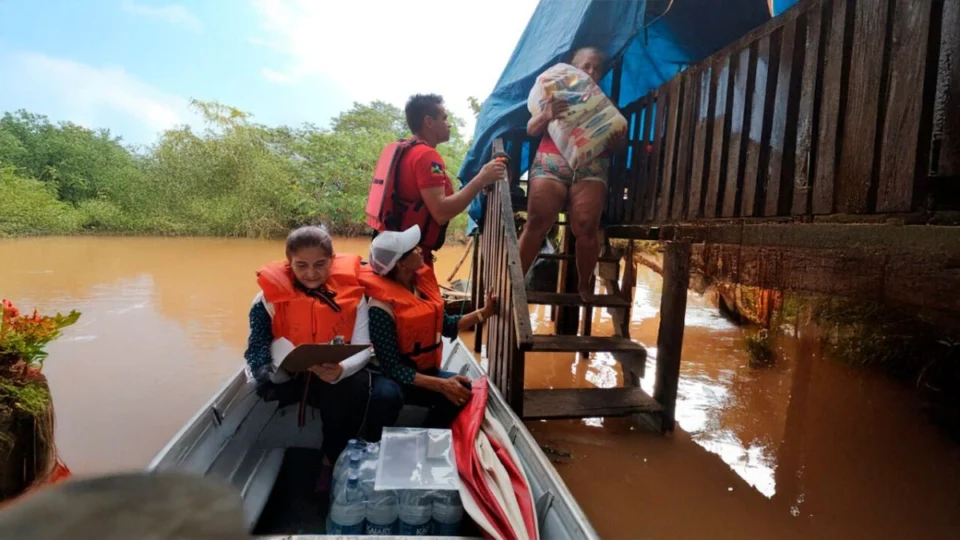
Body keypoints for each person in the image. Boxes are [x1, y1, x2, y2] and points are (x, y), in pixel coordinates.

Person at [243, 226, 402, 491]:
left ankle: (332, 460)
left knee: (353, 391)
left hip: (338, 374)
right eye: (301, 265)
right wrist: (264, 371)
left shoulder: (353, 296)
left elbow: (363, 347)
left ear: (332, 260)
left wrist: (340, 370)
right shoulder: (265, 300)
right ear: (288, 263)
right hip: (292, 377)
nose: (311, 274)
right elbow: (257, 345)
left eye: (320, 264)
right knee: (274, 385)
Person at [359, 225, 498, 428]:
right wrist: (441, 385)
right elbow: (392, 368)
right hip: (395, 378)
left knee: (464, 389)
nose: (419, 250)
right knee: (387, 397)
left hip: (424, 370)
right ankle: (379, 438)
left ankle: (427, 432)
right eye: (413, 249)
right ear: (401, 264)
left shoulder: (420, 288)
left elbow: (447, 325)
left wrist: (484, 313)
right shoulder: (380, 309)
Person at [517, 47, 628, 301]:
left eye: (596, 68)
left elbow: (619, 145)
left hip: (590, 169)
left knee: (586, 227)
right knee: (537, 221)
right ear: (572, 68)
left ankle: (584, 285)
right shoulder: (554, 94)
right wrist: (546, 114)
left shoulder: (606, 104)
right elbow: (531, 130)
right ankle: (515, 281)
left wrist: (617, 141)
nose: (591, 72)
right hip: (551, 164)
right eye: (585, 66)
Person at [392, 94, 507, 264]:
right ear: (429, 122)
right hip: (411, 260)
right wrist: (481, 179)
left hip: (395, 251)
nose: (449, 124)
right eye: (444, 118)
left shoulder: (406, 149)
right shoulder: (426, 156)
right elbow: (441, 212)